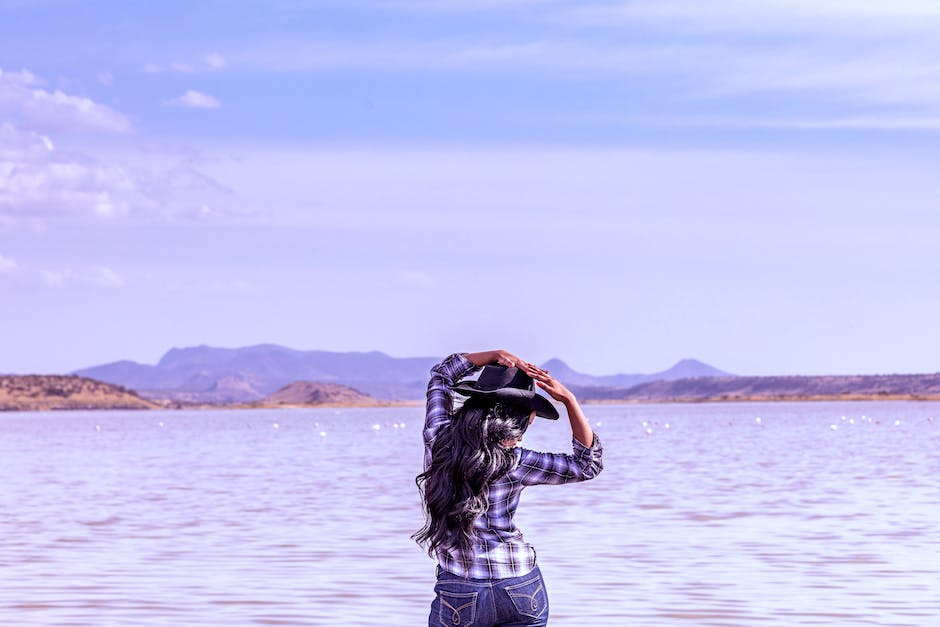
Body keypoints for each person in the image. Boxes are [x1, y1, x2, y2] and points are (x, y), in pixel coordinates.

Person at [414, 349, 604, 626]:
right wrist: (569, 401)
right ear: (525, 419)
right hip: (520, 585)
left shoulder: (438, 439)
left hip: (460, 588)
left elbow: (442, 375)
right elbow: (588, 465)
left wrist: (493, 354)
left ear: (474, 405)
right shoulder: (518, 462)